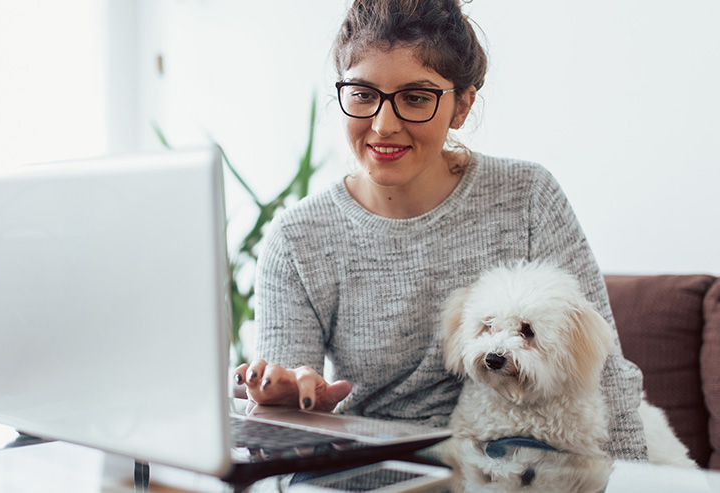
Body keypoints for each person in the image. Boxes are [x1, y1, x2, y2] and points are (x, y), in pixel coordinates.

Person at [234, 0, 648, 460]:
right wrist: (284, 414)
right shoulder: (297, 238)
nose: (383, 125)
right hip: (373, 471)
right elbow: (280, 444)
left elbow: (606, 375)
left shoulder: (527, 196)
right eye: (362, 94)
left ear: (461, 106)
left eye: (416, 97)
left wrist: (641, 481)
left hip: (515, 466)